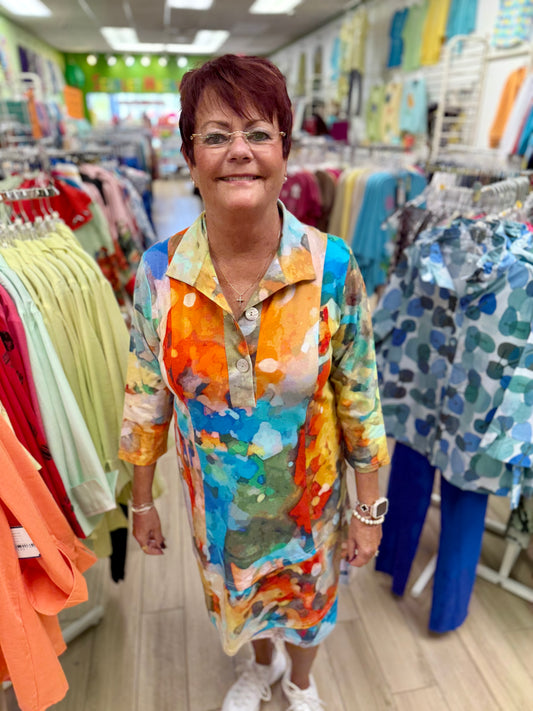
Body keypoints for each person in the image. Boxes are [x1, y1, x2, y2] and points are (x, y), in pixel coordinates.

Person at [119, 54, 390, 711]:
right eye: (215, 135)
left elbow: (360, 402)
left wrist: (368, 509)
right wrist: (142, 500)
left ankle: (299, 679)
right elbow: (145, 400)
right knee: (243, 605)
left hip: (310, 508)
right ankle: (262, 666)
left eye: (258, 133)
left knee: (309, 606)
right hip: (219, 511)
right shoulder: (159, 274)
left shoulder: (331, 266)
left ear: (284, 153)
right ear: (190, 158)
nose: (238, 151)